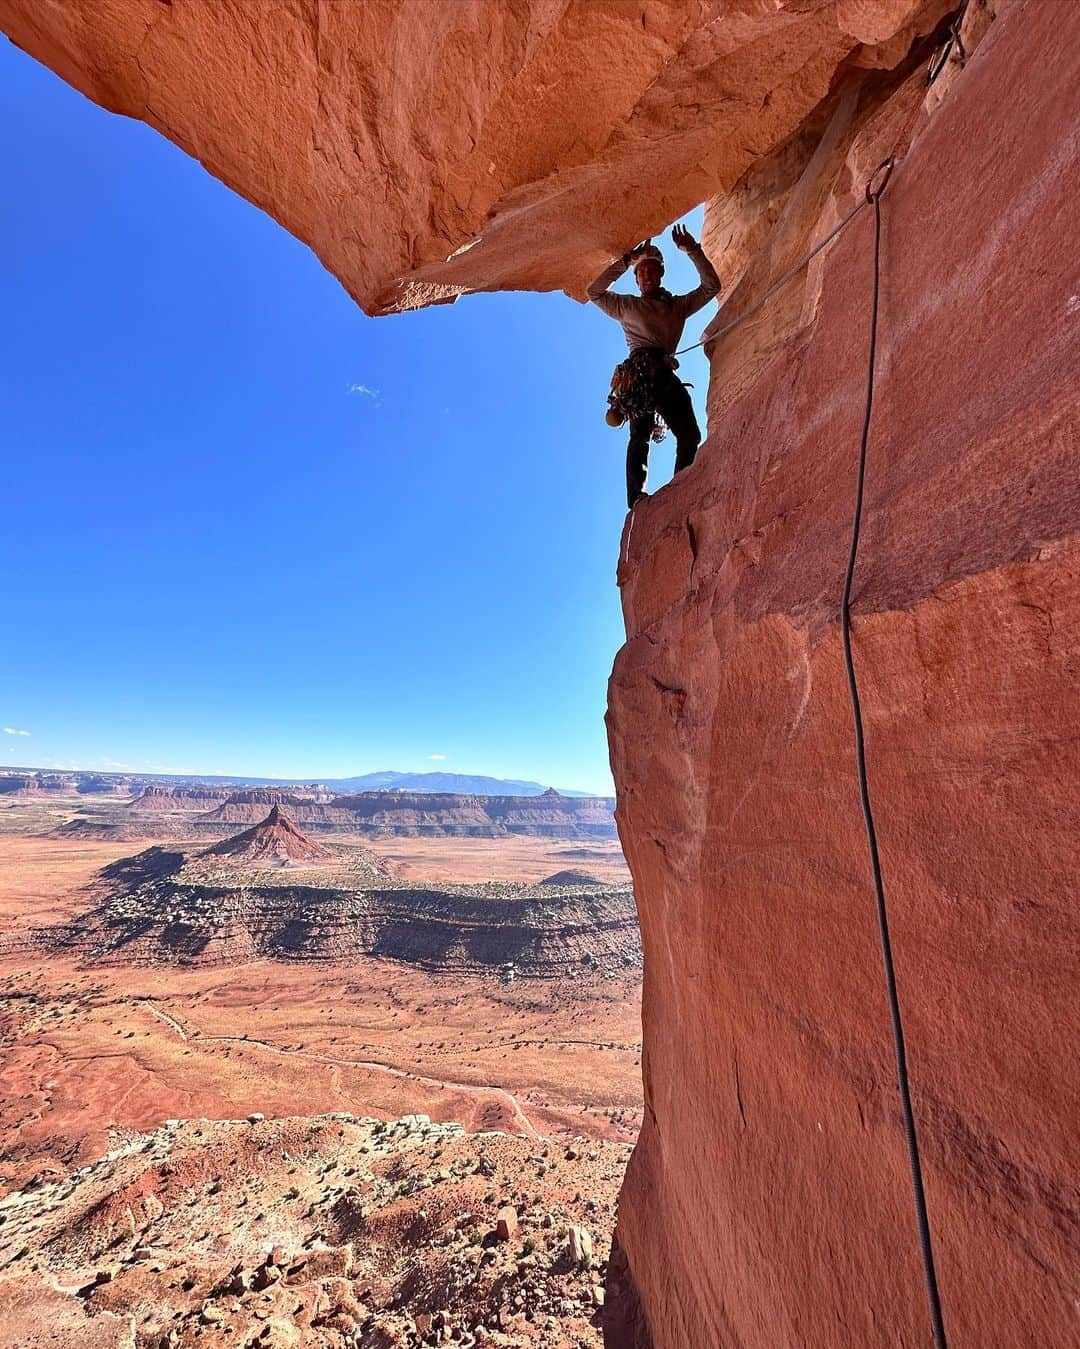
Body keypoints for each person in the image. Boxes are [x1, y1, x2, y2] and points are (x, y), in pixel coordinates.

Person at [587, 225, 721, 508]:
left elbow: (711, 287)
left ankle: (682, 486)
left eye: (651, 270)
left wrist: (693, 250)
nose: (646, 275)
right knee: (640, 435)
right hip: (639, 378)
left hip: (663, 375)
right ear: (635, 280)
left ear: (661, 274)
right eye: (641, 272)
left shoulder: (677, 306)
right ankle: (637, 500)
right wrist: (627, 260)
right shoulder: (627, 306)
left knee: (690, 434)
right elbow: (594, 292)